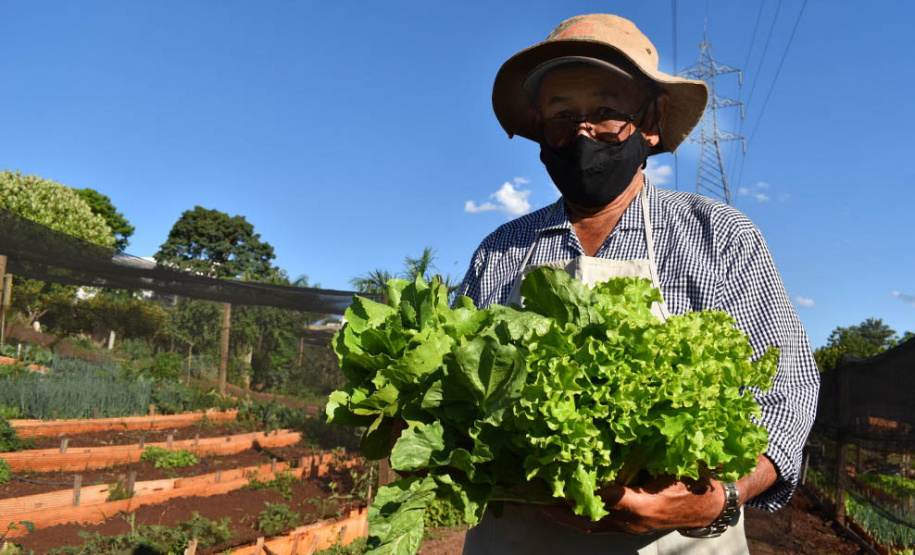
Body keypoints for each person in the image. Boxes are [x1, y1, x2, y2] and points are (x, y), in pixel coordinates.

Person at [455, 13, 820, 554]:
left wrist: (721, 499)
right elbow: (455, 397)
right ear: (539, 130)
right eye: (562, 114)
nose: (583, 132)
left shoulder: (719, 238)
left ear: (652, 122)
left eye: (605, 111)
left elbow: (786, 394)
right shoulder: (501, 249)